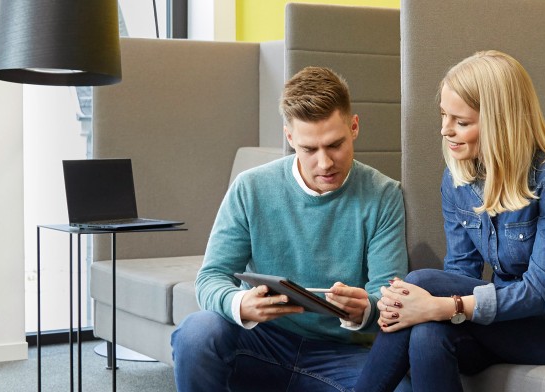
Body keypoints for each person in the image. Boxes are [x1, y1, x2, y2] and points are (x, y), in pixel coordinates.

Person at [354, 50, 545, 392]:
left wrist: (444, 304)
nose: (445, 130)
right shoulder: (457, 179)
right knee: (428, 333)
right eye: (444, 116)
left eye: (461, 122)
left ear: (499, 122)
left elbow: (538, 293)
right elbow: (460, 273)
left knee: (421, 281)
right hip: (507, 313)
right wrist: (418, 307)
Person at [171, 66, 410, 392]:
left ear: (354, 127)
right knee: (197, 333)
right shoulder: (251, 188)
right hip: (262, 341)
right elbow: (211, 278)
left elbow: (386, 294)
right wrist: (240, 304)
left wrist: (363, 308)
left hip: (341, 353)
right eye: (309, 150)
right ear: (290, 138)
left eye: (335, 145)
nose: (325, 163)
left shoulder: (383, 195)